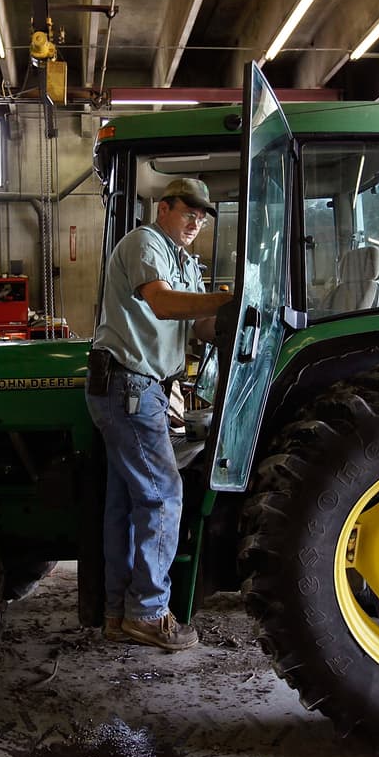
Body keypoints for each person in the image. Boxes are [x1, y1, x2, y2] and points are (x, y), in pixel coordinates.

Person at [85, 178, 232, 651]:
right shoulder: (145, 243)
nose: (195, 222)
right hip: (129, 385)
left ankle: (116, 612)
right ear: (163, 207)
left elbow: (201, 325)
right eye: (188, 211)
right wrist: (225, 299)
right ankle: (148, 612)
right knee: (164, 496)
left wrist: (237, 318)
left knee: (126, 504)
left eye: (202, 216)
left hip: (143, 388)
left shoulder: (187, 263)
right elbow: (165, 304)